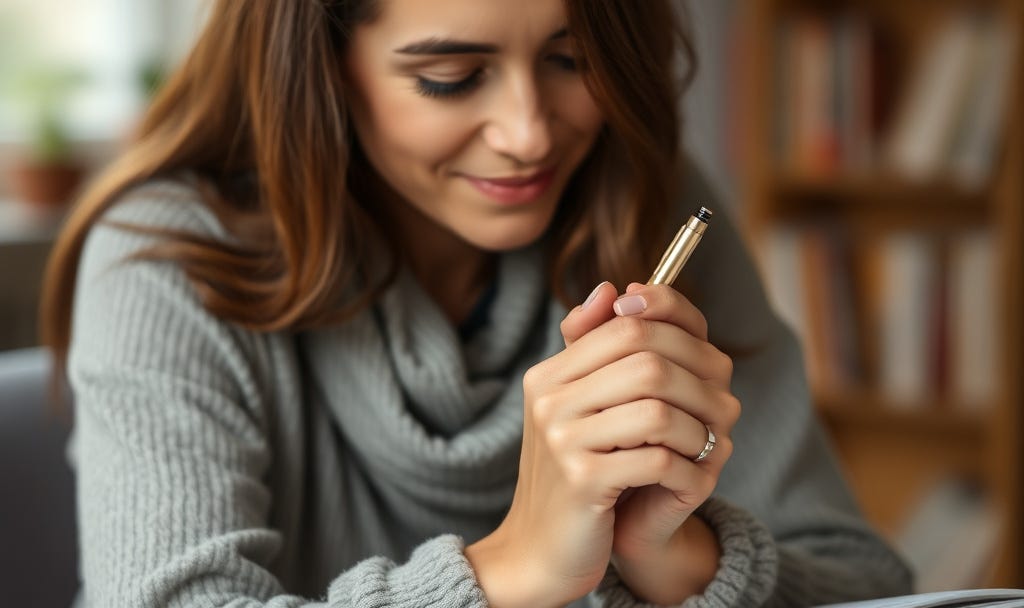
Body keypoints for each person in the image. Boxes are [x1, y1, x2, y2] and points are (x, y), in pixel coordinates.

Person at [41, 1, 913, 606]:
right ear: (325, 68)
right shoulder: (166, 256)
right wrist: (514, 567)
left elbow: (865, 583)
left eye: (573, 60)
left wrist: (674, 557)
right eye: (453, 77)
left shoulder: (649, 206)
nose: (530, 132)